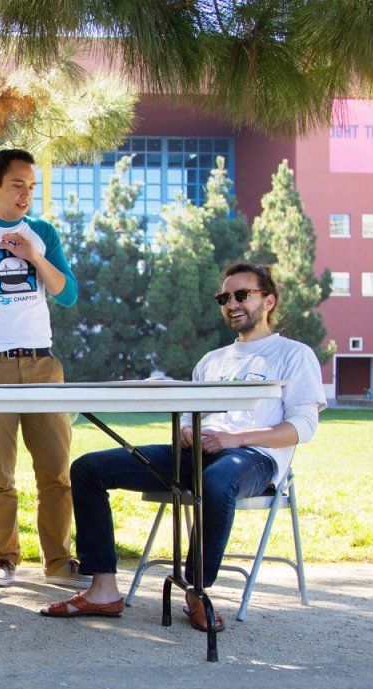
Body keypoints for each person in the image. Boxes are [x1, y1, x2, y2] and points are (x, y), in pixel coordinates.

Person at [42, 262, 327, 631]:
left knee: (216, 483)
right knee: (88, 469)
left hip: (253, 457)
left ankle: (197, 591)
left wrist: (234, 439)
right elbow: (191, 416)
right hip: (197, 453)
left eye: (242, 295)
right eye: (225, 297)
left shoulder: (294, 354)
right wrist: (188, 431)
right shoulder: (213, 361)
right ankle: (103, 590)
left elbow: (303, 427)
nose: (232, 303)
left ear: (268, 300)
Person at [0, 148, 83, 589]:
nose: (25, 194)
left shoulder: (42, 232)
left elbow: (67, 295)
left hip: (43, 363)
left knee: (55, 468)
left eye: (31, 186)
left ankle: (60, 561)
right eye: (16, 185)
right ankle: (3, 558)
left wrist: (33, 255)